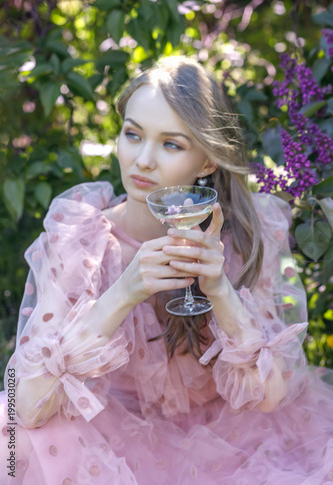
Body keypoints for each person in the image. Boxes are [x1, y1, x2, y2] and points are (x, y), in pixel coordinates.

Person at [1, 56, 333, 485]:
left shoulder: (249, 232)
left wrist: (220, 290)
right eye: (133, 135)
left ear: (208, 161)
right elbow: (25, 404)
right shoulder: (81, 235)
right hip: (116, 436)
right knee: (22, 442)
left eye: (171, 145)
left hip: (232, 440)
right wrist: (124, 291)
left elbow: (271, 398)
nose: (143, 160)